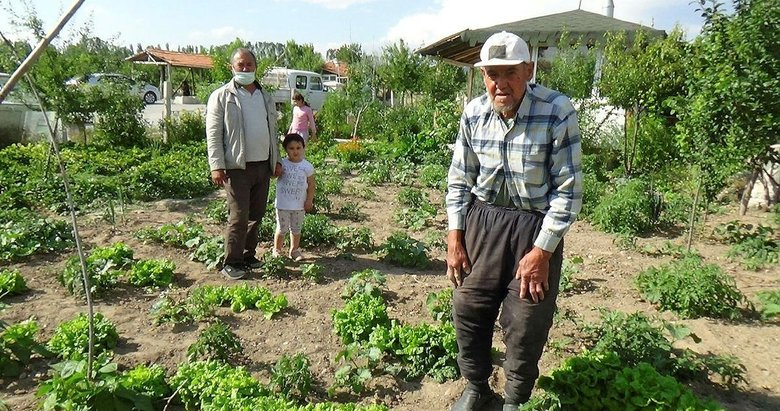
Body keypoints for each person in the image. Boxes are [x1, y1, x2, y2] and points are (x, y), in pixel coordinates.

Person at [445, 31, 582, 411]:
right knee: (468, 306)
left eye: (509, 73)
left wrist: (542, 253)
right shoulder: (474, 113)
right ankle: (476, 387)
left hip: (534, 230)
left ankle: (514, 401)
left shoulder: (556, 111)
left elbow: (568, 190)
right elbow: (459, 179)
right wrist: (455, 238)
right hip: (482, 223)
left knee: (526, 320)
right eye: (492, 74)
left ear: (528, 70)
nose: (499, 83)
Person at [206, 47, 282, 280]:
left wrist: (276, 161)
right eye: (241, 65)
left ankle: (249, 255)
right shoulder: (222, 96)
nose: (246, 68)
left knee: (256, 215)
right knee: (238, 216)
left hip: (262, 165)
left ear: (255, 67)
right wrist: (216, 165)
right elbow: (214, 132)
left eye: (249, 64)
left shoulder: (265, 96)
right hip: (237, 167)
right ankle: (232, 262)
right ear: (232, 67)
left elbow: (273, 130)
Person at [273, 133, 315, 262]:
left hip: (299, 205)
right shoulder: (282, 164)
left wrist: (309, 200)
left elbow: (311, 185)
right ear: (286, 149)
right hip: (283, 204)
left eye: (298, 148)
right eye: (291, 148)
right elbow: (273, 175)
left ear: (303, 148)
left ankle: (294, 250)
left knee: (296, 229)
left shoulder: (307, 166)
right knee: (282, 228)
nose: (295, 151)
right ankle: (277, 250)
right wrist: (276, 169)